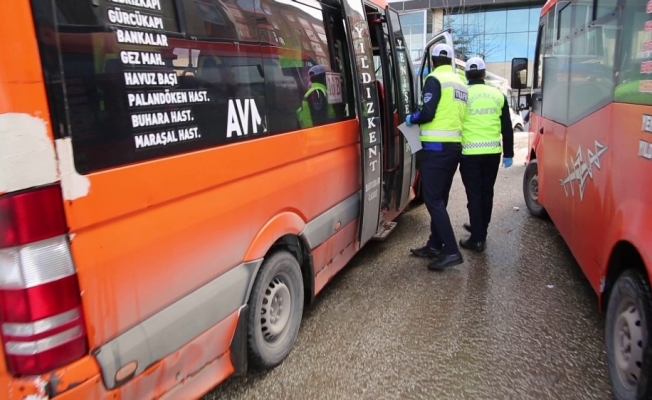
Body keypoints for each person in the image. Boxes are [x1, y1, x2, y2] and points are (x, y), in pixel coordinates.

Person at [406, 43, 468, 271]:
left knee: (433, 199)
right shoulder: (460, 82)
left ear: (432, 62)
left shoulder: (434, 79)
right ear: (450, 60)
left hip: (436, 149)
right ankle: (434, 244)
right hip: (453, 148)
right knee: (440, 197)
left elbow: (428, 113)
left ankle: (451, 251)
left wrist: (412, 118)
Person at [458, 57, 514, 252]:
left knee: (474, 195)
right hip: (492, 153)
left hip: (469, 153)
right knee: (486, 193)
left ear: (466, 74)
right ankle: (481, 228)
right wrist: (508, 153)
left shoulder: (462, 95)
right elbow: (507, 128)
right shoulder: (498, 95)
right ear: (484, 74)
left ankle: (477, 239)